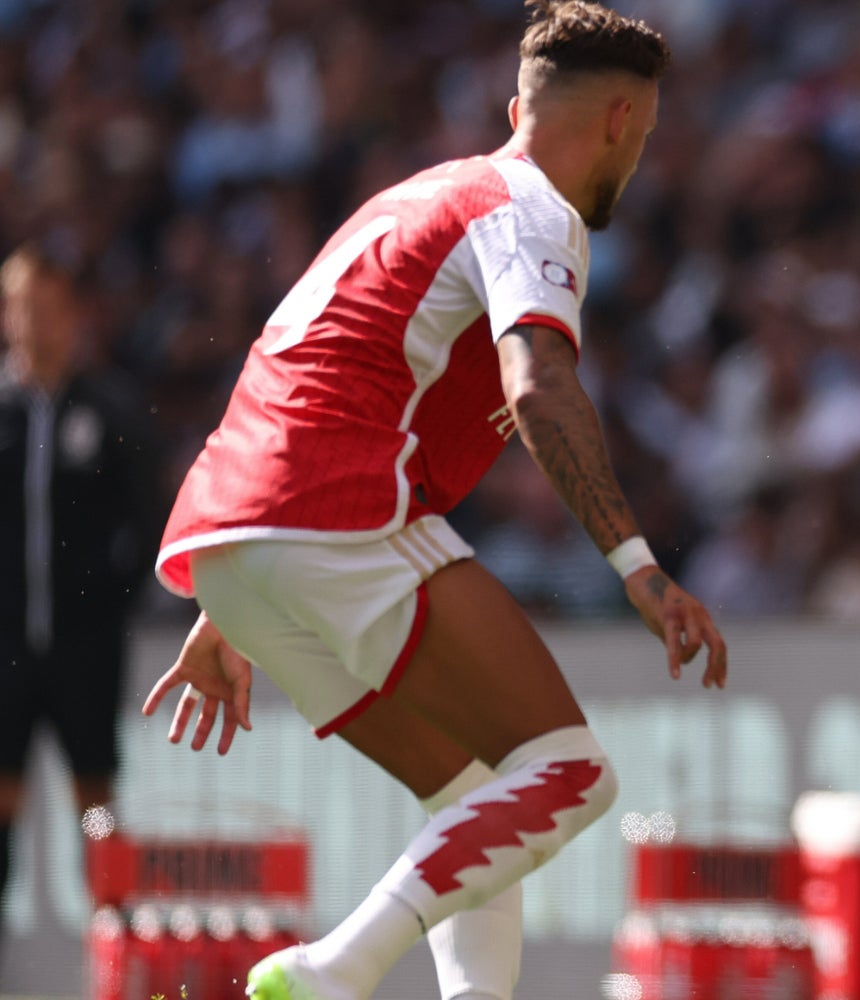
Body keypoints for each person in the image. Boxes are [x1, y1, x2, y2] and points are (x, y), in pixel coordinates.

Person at [139, 3, 728, 998]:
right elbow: (536, 386)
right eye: (649, 135)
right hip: (338, 511)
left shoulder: (413, 197)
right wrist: (639, 565)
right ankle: (334, 970)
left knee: (475, 796)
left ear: (514, 107)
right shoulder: (536, 209)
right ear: (622, 121)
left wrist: (231, 593)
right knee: (571, 774)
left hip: (232, 529)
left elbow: (314, 366)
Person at [0, 240, 158, 971]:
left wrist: (107, 604)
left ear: (73, 315)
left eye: (49, 306)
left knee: (94, 800)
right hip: (5, 653)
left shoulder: (108, 409)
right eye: (22, 305)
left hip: (83, 652)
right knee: (4, 797)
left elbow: (147, 517)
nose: (35, 320)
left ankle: (114, 960)